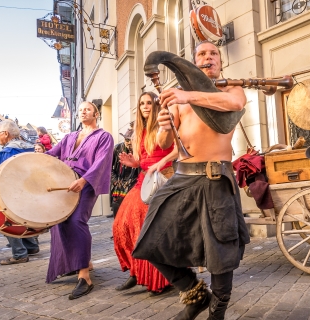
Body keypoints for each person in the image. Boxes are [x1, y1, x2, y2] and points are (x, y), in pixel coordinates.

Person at [132, 40, 250, 320]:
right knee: (149, 241)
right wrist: (163, 126)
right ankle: (195, 294)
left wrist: (189, 97)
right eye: (202, 54)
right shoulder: (177, 97)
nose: (208, 57)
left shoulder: (231, 89)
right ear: (194, 62)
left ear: (220, 62)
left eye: (213, 54)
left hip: (216, 178)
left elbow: (234, 104)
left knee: (221, 255)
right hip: (183, 178)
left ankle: (216, 313)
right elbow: (164, 141)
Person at [45, 101, 113, 300]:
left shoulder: (103, 136)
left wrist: (84, 181)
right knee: (58, 222)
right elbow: (52, 156)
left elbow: (101, 161)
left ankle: (84, 275)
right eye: (81, 109)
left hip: (86, 184)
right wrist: (36, 158)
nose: (84, 111)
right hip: (64, 185)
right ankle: (75, 263)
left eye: (88, 109)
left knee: (76, 222)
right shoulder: (69, 137)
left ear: (96, 113)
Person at [113, 91, 176, 295]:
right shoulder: (138, 131)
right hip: (144, 180)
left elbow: (179, 149)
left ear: (156, 105)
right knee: (121, 226)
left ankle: (161, 278)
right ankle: (136, 271)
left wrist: (160, 162)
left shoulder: (164, 125)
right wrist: (135, 163)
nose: (145, 106)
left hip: (162, 179)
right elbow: (143, 161)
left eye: (149, 103)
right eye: (142, 103)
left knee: (147, 230)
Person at [0, 120, 40, 265]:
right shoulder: (31, 148)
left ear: (5, 134)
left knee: (4, 220)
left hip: (13, 192)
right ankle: (31, 246)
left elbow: (3, 176)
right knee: (24, 218)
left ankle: (19, 253)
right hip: (32, 190)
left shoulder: (7, 151)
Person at [109, 124, 138, 219]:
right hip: (119, 185)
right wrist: (115, 180)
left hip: (134, 184)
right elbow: (108, 167)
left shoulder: (139, 150)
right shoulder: (117, 148)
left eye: (131, 140)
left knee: (132, 215)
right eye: (127, 140)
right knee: (118, 214)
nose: (129, 143)